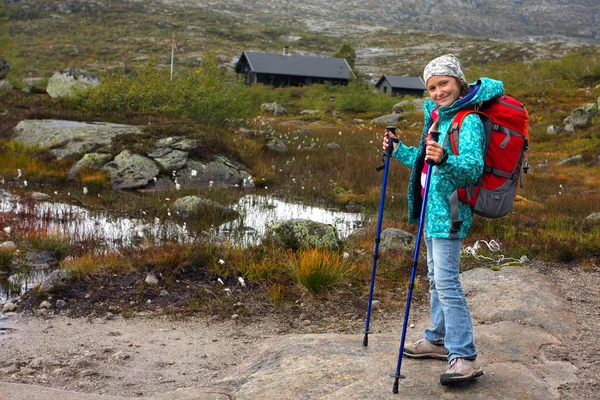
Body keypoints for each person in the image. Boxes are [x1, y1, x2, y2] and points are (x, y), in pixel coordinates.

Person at [383, 54, 504, 385]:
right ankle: (437, 339)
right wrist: (399, 150)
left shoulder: (469, 121)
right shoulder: (437, 119)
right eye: (432, 87)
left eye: (444, 83)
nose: (438, 91)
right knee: (436, 278)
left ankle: (463, 356)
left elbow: (472, 168)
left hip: (449, 213)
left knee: (447, 282)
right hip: (430, 212)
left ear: (459, 83)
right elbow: (425, 162)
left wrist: (446, 157)